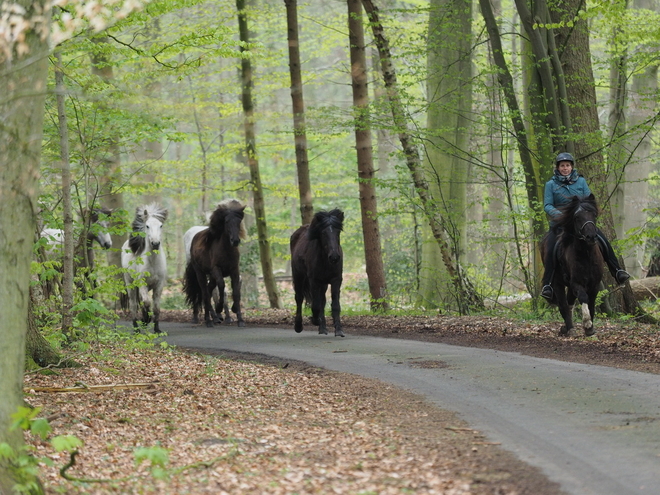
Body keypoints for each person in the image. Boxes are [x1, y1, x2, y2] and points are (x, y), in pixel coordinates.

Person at [540, 152, 630, 301]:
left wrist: (587, 213)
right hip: (560, 223)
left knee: (603, 240)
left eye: (567, 165)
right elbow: (547, 205)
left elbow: (589, 199)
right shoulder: (551, 184)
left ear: (571, 167)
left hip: (580, 221)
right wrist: (560, 215)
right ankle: (548, 285)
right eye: (562, 166)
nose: (565, 168)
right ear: (558, 168)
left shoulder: (581, 181)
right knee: (550, 248)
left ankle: (617, 271)